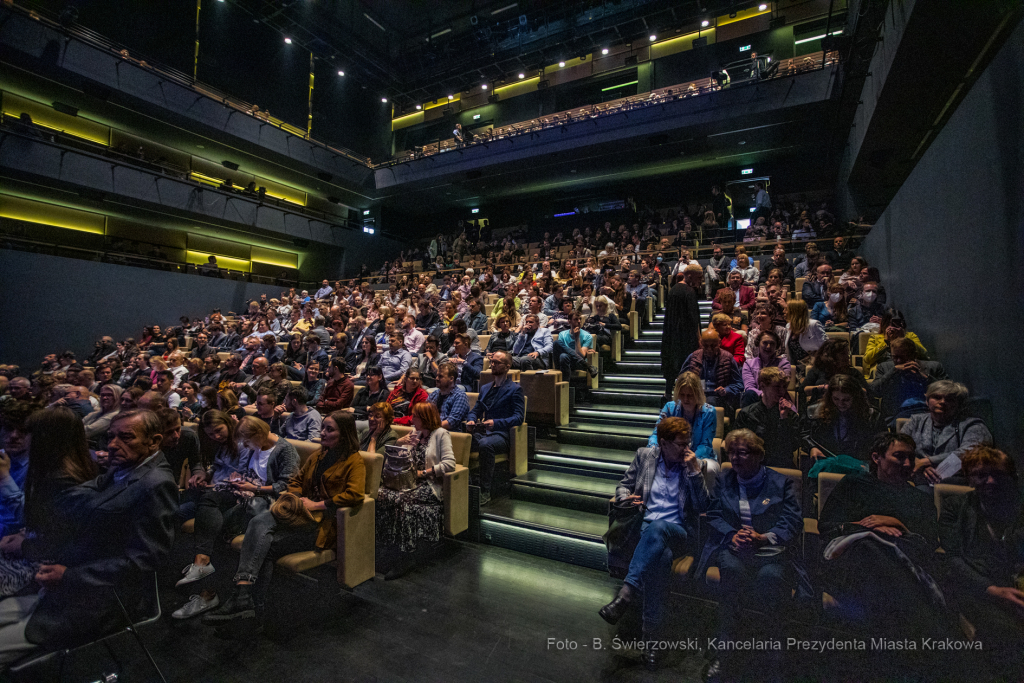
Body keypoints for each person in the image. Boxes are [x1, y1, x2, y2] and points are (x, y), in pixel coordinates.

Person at [0, 410, 176, 667]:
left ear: (154, 441)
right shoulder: (126, 469)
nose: (114, 445)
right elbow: (86, 496)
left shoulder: (155, 484)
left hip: (97, 602)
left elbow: (146, 560)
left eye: (126, 437)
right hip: (68, 591)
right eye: (111, 436)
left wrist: (68, 575)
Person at [200, 412, 365, 624]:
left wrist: (317, 504)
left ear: (344, 435)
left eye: (329, 429)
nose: (322, 433)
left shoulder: (354, 461)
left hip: (320, 524)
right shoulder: (318, 456)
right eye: (323, 427)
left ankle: (248, 604)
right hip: (298, 515)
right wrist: (294, 498)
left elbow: (355, 494)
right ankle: (245, 600)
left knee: (264, 543)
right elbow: (295, 480)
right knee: (258, 522)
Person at [598, 418, 709, 668]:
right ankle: (652, 643)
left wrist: (694, 473)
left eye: (687, 443)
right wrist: (627, 499)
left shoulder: (693, 464)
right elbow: (623, 486)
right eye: (680, 444)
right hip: (645, 530)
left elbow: (703, 507)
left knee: (660, 528)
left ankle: (625, 594)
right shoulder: (645, 456)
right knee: (661, 559)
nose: (686, 448)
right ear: (663, 443)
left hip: (679, 532)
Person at [817, 433, 952, 639]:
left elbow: (929, 544)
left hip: (904, 564)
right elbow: (828, 527)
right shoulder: (854, 485)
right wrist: (870, 530)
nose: (907, 464)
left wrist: (899, 525)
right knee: (869, 548)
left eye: (911, 458)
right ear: (876, 458)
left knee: (881, 565)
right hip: (853, 561)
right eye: (899, 456)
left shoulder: (920, 499)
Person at [698, 428, 804, 683]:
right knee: (731, 573)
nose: (734, 458)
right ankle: (725, 652)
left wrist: (764, 537)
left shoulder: (781, 482)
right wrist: (733, 534)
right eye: (731, 452)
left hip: (770, 551)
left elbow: (792, 520)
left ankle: (773, 655)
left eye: (742, 453)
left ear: (758, 455)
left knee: (771, 580)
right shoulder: (725, 479)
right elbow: (713, 514)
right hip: (733, 548)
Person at [173, 415, 299, 618]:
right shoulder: (255, 447)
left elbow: (288, 485)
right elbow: (246, 472)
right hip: (245, 498)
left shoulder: (284, 450)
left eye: (247, 441)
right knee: (210, 503)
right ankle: (206, 576)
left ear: (258, 434)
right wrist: (239, 481)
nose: (245, 446)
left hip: (263, 504)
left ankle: (211, 590)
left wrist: (255, 487)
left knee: (216, 528)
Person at [938, 446, 1024, 681]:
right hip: (975, 586)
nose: (991, 481)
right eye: (981, 475)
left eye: (998, 474)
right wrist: (992, 590)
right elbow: (952, 559)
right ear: (969, 478)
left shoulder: (1018, 508)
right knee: (1006, 633)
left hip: (1015, 583)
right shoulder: (955, 507)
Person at [0, 409, 97, 600]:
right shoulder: (65, 470)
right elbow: (48, 525)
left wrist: (23, 544)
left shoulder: (63, 481)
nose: (21, 438)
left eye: (27, 433)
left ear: (45, 439)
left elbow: (57, 543)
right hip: (31, 548)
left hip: (43, 569)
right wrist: (22, 535)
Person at [377, 402, 457, 579]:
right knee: (381, 494)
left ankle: (406, 555)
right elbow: (404, 458)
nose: (412, 419)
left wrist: (424, 472)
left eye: (415, 416)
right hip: (408, 481)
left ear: (425, 418)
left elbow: (449, 464)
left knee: (401, 501)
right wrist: (400, 444)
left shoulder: (441, 434)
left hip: (429, 485)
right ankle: (384, 548)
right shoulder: (415, 433)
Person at [900, 380, 993, 484]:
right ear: (927, 401)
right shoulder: (916, 421)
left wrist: (927, 461)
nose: (943, 402)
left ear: (959, 404)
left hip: (956, 482)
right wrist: (919, 465)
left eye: (950, 399)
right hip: (918, 477)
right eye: (937, 397)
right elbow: (900, 446)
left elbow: (971, 452)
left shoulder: (973, 425)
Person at [465, 351, 525, 506]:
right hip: (483, 432)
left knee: (486, 444)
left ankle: (485, 491)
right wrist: (471, 421)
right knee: (460, 439)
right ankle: (466, 485)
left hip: (501, 434)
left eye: (497, 362)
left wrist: (496, 423)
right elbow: (475, 411)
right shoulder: (485, 388)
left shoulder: (515, 389)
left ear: (507, 366)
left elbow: (519, 417)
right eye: (492, 362)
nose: (493, 365)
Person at [647, 372, 721, 484]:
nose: (685, 399)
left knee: (710, 469)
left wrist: (688, 458)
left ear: (698, 394)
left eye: (690, 395)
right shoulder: (669, 407)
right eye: (682, 395)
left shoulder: (709, 412)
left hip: (699, 456)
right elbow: (656, 434)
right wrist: (654, 448)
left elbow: (705, 446)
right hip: (671, 454)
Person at [803, 374, 883, 462]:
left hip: (859, 465)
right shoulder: (817, 412)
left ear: (855, 397)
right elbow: (805, 435)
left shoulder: (872, 416)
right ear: (830, 397)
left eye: (846, 400)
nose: (841, 404)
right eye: (836, 399)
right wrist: (812, 448)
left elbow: (881, 444)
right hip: (827, 462)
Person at [869, 337, 948, 423]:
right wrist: (893, 372)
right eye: (895, 357)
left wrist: (925, 377)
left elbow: (948, 392)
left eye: (902, 357)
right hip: (897, 414)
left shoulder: (934, 367)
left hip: (928, 412)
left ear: (914, 355)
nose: (898, 361)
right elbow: (873, 391)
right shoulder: (885, 368)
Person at [735, 367, 800, 468]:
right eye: (777, 387)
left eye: (784, 387)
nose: (782, 391)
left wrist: (784, 419)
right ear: (762, 386)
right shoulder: (747, 414)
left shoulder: (790, 415)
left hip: (781, 467)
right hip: (753, 466)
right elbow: (738, 445)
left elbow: (790, 448)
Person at [661, 269, 702, 401]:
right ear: (690, 276)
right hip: (686, 337)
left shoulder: (673, 290)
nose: (700, 281)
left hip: (671, 335)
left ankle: (668, 394)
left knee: (671, 367)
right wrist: (699, 337)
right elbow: (693, 318)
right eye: (699, 277)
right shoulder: (689, 291)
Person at [678, 331, 742, 412]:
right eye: (705, 346)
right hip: (695, 397)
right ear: (701, 343)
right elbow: (680, 380)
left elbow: (739, 384)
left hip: (719, 399)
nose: (709, 349)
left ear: (719, 343)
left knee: (710, 401)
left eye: (713, 346)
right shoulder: (693, 357)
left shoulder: (728, 358)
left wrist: (726, 390)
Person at [740, 330, 791, 406]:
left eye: (772, 344)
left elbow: (782, 385)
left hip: (777, 399)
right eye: (765, 343)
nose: (768, 346)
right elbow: (749, 387)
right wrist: (763, 395)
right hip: (755, 399)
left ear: (776, 346)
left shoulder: (784, 364)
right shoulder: (749, 364)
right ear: (758, 344)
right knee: (749, 394)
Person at [781, 299, 826, 369]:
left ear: (794, 311)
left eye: (786, 309)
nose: (783, 311)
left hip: (813, 367)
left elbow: (826, 347)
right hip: (795, 367)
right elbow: (789, 352)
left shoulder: (814, 325)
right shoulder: (788, 326)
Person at [555, 312, 598, 380]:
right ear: (569, 321)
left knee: (563, 356)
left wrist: (577, 337)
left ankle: (566, 387)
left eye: (580, 319)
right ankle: (587, 365)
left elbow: (581, 355)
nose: (579, 321)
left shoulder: (587, 336)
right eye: (576, 319)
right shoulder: (562, 334)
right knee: (557, 344)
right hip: (562, 361)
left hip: (577, 363)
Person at [429, 363, 471, 430]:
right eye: (436, 376)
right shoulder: (434, 394)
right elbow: (423, 414)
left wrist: (428, 427)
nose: (436, 379)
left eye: (440, 376)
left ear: (451, 379)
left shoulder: (460, 396)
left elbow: (451, 423)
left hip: (450, 435)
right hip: (432, 431)